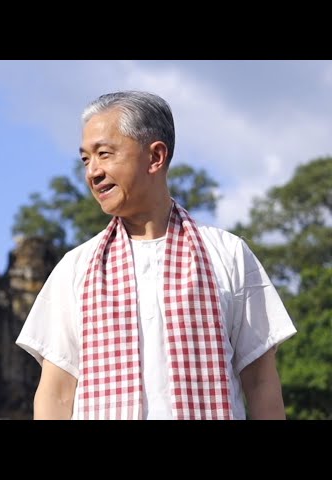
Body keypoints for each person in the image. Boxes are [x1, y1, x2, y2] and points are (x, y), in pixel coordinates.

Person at [16, 91, 297, 420]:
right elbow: (56, 393)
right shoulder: (76, 268)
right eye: (86, 159)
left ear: (155, 157)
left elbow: (261, 382)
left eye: (104, 154)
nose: (93, 172)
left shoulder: (228, 254)